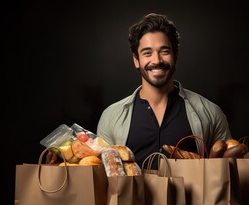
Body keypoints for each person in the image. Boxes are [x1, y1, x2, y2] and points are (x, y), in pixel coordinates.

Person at [97, 13, 232, 168]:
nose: (157, 60)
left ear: (175, 56)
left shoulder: (210, 113)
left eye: (165, 51)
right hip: (133, 194)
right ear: (136, 60)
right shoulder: (110, 118)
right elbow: (105, 180)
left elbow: (225, 174)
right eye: (147, 53)